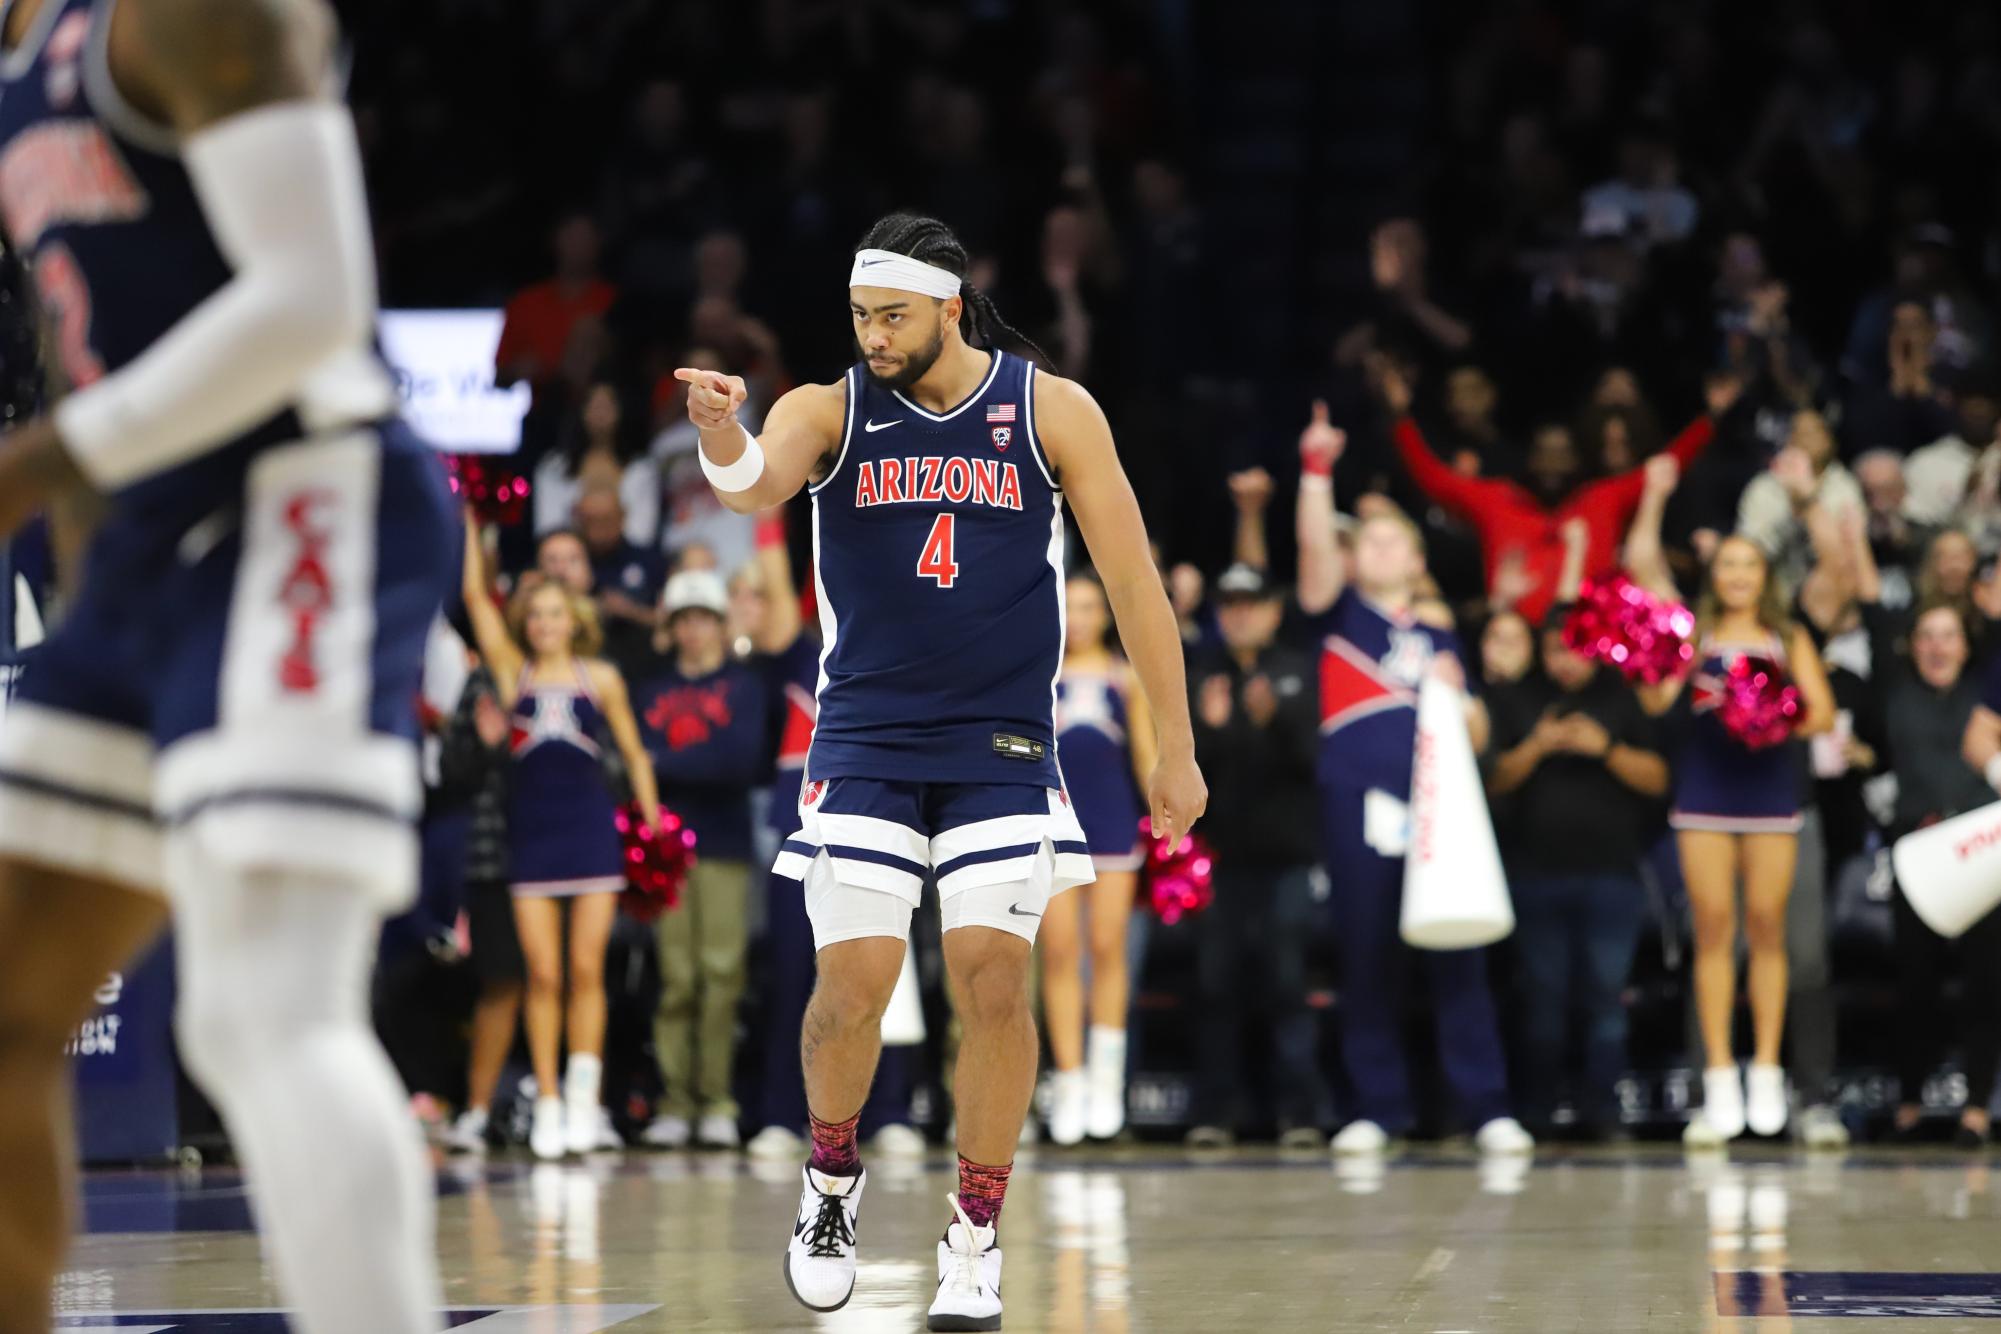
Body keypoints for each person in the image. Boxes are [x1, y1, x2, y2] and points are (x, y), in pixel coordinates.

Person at [0, 2, 454, 1329]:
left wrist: (43, 463)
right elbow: (92, 327)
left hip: (303, 489)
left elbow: (315, 298)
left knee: (261, 1007)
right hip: (141, 545)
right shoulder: (23, 56)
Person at [675, 212, 1204, 1331]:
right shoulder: (829, 405)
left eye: (893, 316)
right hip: (864, 735)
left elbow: (1137, 580)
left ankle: (976, 1233)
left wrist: (1177, 740)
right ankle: (829, 1183)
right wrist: (722, 434)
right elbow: (750, 486)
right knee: (850, 987)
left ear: (949, 307)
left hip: (1002, 742)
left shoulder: (1049, 408)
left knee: (992, 981)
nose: (872, 334)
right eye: (862, 314)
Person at [1294, 403, 1531, 1158]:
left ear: (1416, 559)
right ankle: (1377, 1107)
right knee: (1366, 957)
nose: (1375, 545)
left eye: (1391, 536)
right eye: (1365, 538)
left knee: (1457, 954)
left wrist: (1459, 699)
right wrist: (1315, 471)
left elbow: (1478, 731)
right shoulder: (1337, 614)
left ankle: (1485, 1106)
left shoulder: (1438, 635)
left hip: (1438, 822)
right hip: (1358, 808)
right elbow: (1311, 556)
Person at [460, 523, 661, 1159]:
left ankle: (582, 1099)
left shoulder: (600, 677)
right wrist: (470, 511)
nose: (545, 622)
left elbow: (634, 753)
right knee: (542, 974)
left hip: (590, 836)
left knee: (584, 970)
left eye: (555, 613)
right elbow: (474, 598)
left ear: (573, 619)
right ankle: (547, 1101)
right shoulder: (510, 671)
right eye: (536, 614)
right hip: (533, 840)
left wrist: (653, 821)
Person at [1634, 530, 1834, 1145]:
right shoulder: (1693, 634)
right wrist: (1650, 652)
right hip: (1705, 792)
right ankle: (1720, 1073)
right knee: (1714, 928)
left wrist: (1768, 705)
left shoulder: (1788, 635)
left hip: (1769, 790)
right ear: (1714, 574)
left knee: (1769, 927)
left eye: (1750, 564)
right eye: (1728, 564)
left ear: (1765, 575)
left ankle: (1768, 1069)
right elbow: (1655, 698)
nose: (1739, 574)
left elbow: (1821, 714)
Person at [1487, 618, 1668, 1141]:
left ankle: (1603, 1113)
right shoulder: (1519, 700)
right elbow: (1494, 779)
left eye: (1574, 649)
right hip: (1535, 876)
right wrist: (1537, 745)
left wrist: (1605, 748)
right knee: (1542, 1000)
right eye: (1553, 650)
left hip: (1611, 877)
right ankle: (1538, 1112)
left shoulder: (1621, 699)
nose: (1565, 660)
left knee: (1604, 1000)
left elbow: (1659, 780)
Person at [631, 567, 776, 1151]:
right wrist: (683, 763)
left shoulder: (745, 687)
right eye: (683, 621)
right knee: (676, 980)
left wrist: (663, 763)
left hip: (724, 844)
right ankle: (675, 1100)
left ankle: (715, 1099)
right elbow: (636, 760)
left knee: (721, 976)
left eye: (703, 620)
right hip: (663, 849)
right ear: (672, 628)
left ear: (720, 625)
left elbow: (740, 764)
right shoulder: (650, 688)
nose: (694, 631)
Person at [1183, 563, 1325, 1148]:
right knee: (1216, 986)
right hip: (1219, 861)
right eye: (1231, 603)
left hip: (1288, 860)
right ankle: (1216, 1112)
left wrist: (1279, 722)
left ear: (1273, 610)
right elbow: (1185, 773)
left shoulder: (1299, 671)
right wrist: (1211, 733)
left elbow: (1317, 763)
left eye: (1253, 602)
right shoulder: (1200, 674)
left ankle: (1300, 1112)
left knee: (1288, 984)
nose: (1241, 613)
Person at [1042, 571, 1155, 1146]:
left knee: (1108, 947)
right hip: (1055, 823)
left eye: (1089, 607)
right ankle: (1069, 1079)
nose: (1080, 618)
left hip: (1111, 823)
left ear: (1105, 614)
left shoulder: (1123, 677)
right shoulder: (1038, 674)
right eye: (1070, 607)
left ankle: (1108, 1081)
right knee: (1060, 952)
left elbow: (1145, 754)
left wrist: (1165, 817)